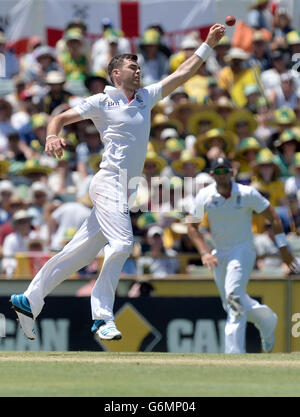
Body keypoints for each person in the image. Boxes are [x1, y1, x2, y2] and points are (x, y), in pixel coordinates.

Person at [10, 24, 226, 342]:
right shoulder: (102, 101)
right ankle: (102, 316)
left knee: (79, 254)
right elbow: (59, 118)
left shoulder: (146, 97)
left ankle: (29, 300)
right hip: (107, 181)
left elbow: (182, 73)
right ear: (115, 74)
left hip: (127, 189)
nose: (138, 70)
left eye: (139, 66)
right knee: (124, 244)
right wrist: (53, 135)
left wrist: (207, 44)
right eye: (132, 66)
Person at [187, 157, 298, 354]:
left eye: (225, 171)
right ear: (212, 175)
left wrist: (283, 250)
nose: (222, 175)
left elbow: (272, 216)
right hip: (219, 253)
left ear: (233, 173)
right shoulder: (204, 195)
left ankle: (234, 353)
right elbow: (192, 226)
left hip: (243, 250)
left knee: (233, 298)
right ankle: (267, 320)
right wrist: (204, 252)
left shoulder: (247, 193)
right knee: (231, 302)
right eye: (218, 172)